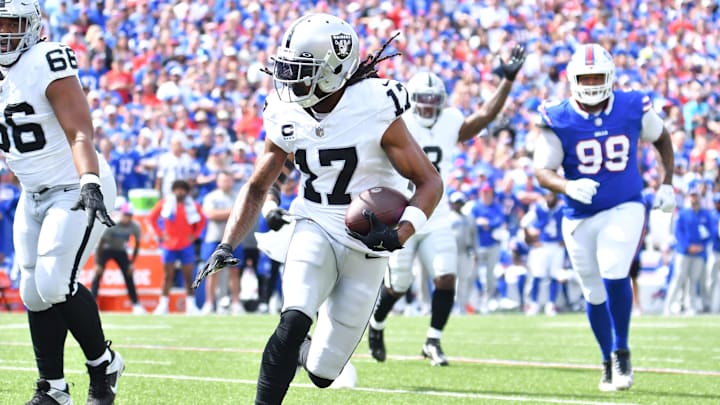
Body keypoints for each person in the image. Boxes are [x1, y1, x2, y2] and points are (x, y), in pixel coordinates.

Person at [192, 14, 442, 404]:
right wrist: (227, 244)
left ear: (334, 70)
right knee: (293, 317)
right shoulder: (284, 110)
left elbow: (429, 181)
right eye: (288, 68)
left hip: (368, 238)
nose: (290, 80)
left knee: (324, 374)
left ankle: (307, 354)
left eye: (302, 71)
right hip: (315, 220)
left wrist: (400, 233)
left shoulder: (374, 104)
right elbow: (257, 185)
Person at [368, 48, 525, 366]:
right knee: (398, 284)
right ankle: (377, 324)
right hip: (400, 213)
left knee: (446, 277)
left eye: (433, 100)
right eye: (422, 100)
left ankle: (433, 340)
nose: (428, 106)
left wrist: (506, 82)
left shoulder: (450, 120)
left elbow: (483, 117)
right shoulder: (398, 122)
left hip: (436, 214)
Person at [0, 2, 124, 404]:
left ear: (32, 25)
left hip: (75, 185)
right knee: (32, 292)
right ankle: (53, 389)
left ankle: (104, 364)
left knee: (55, 283)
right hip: (32, 192)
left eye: (10, 23)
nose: (3, 32)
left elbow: (80, 131)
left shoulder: (46, 58)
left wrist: (89, 181)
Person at [533, 43, 676, 391]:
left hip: (625, 204)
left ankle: (622, 350)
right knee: (592, 291)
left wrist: (667, 183)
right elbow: (542, 171)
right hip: (579, 214)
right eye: (586, 77)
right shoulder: (558, 115)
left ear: (610, 77)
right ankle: (607, 358)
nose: (592, 83)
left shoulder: (631, 105)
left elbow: (662, 138)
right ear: (573, 79)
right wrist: (567, 186)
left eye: (598, 76)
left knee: (614, 268)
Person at [148, 179, 206, 315]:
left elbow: (202, 220)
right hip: (169, 245)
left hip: (186, 245)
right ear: (174, 191)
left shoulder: (193, 205)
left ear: (187, 191)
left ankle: (191, 305)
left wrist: (195, 235)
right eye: (178, 189)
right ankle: (163, 305)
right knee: (167, 276)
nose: (180, 192)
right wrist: (160, 234)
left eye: (183, 190)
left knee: (188, 276)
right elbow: (152, 218)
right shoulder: (165, 203)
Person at [663, 186, 712, 315]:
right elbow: (678, 233)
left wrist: (701, 246)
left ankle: (691, 307)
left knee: (693, 280)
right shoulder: (683, 213)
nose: (694, 198)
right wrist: (687, 246)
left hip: (699, 253)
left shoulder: (705, 214)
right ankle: (668, 306)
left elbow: (710, 232)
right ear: (689, 197)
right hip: (683, 252)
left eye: (696, 196)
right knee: (678, 278)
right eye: (692, 196)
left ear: (699, 198)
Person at [92, 203, 146, 315]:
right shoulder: (112, 224)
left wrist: (131, 263)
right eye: (125, 215)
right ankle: (92, 303)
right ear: (121, 214)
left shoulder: (135, 226)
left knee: (128, 274)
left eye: (129, 215)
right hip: (106, 250)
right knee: (98, 274)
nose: (127, 218)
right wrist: (98, 263)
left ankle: (136, 304)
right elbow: (100, 244)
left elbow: (137, 245)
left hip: (120, 250)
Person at [520, 190, 565, 316]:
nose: (549, 198)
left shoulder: (562, 209)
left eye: (552, 196)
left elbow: (571, 224)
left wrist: (566, 240)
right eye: (547, 196)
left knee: (555, 276)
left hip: (557, 246)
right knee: (537, 275)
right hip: (543, 245)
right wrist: (530, 240)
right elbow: (524, 223)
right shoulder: (539, 209)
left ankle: (551, 305)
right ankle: (534, 304)